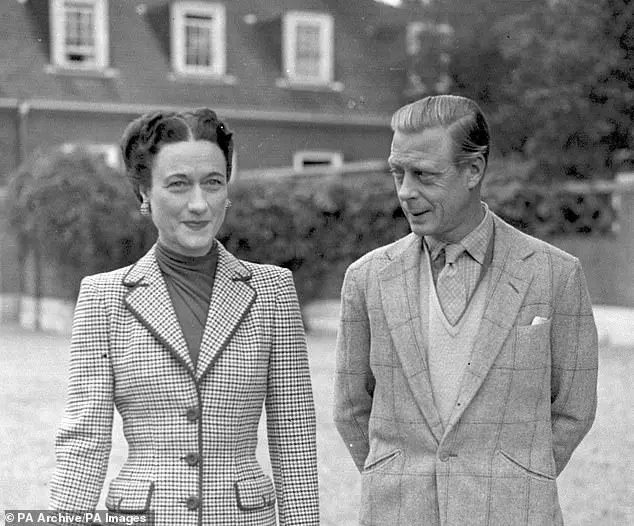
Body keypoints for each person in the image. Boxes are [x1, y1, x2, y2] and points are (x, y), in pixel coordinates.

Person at [333, 95, 598, 525]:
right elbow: (350, 409)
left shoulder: (556, 275)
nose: (405, 192)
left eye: (423, 175)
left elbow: (575, 407)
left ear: (473, 170)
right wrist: (398, 479)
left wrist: (515, 477)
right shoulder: (366, 279)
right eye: (397, 173)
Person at [49, 108, 319, 525]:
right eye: (178, 185)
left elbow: (294, 435)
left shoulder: (272, 292)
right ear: (144, 194)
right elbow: (84, 438)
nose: (198, 204)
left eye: (212, 183)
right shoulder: (103, 298)